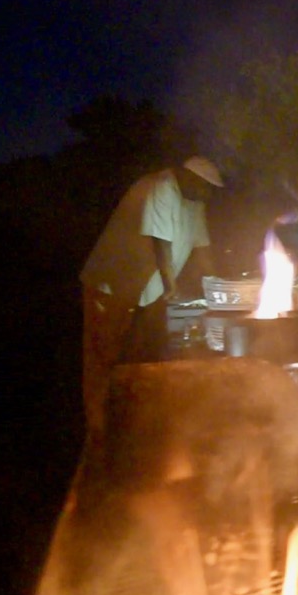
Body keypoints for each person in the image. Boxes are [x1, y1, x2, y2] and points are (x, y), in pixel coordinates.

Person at [81, 155, 223, 436]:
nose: (208, 195)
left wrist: (218, 287)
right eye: (206, 187)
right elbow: (161, 242)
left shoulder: (195, 203)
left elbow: (203, 250)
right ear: (190, 178)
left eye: (211, 190)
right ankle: (97, 429)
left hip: (148, 292)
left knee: (141, 354)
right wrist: (171, 284)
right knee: (103, 355)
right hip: (111, 284)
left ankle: (133, 421)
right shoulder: (162, 186)